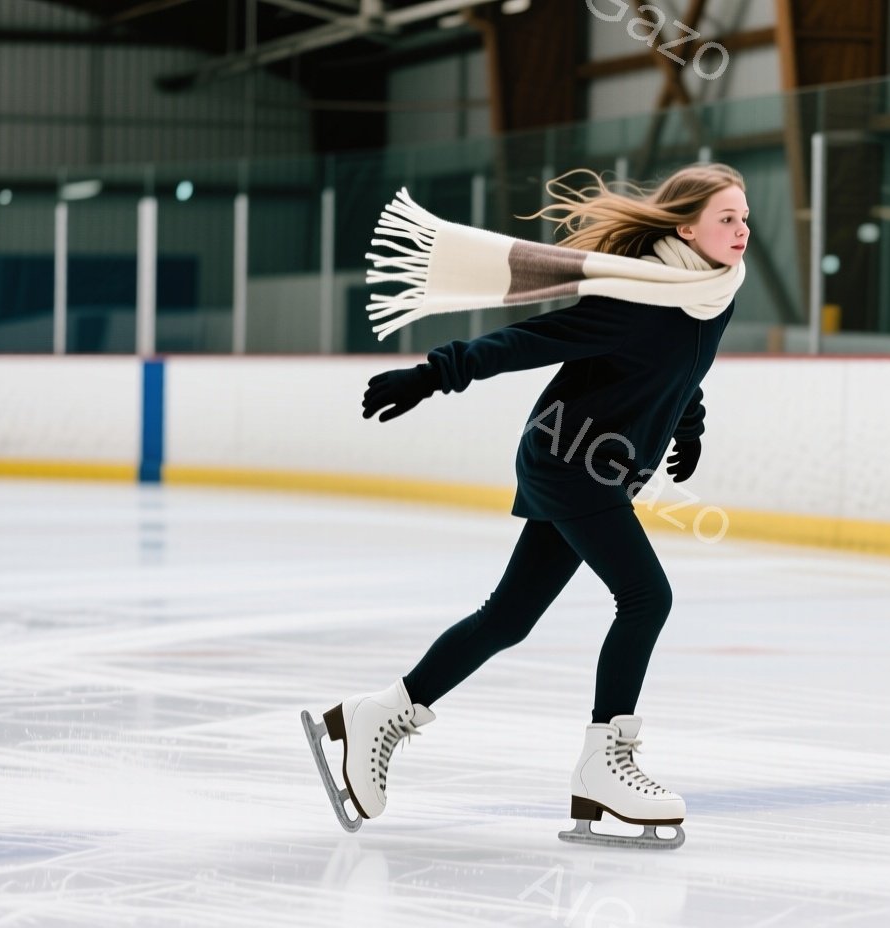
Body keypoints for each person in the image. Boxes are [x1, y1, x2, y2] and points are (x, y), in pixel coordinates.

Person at [301, 163, 749, 850]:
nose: (742, 230)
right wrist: (432, 374)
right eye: (727, 218)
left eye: (745, 217)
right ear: (685, 228)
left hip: (603, 470)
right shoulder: (637, 299)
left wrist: (688, 425)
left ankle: (380, 713)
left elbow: (683, 368)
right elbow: (527, 342)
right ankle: (606, 760)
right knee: (645, 596)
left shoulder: (712, 292)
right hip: (569, 462)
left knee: (508, 618)